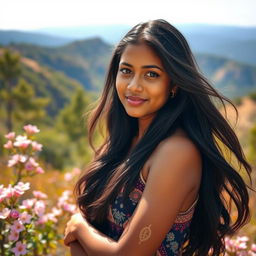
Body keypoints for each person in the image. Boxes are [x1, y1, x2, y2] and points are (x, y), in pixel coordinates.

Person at [63, 19, 252, 255]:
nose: (133, 86)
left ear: (173, 83)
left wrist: (79, 228)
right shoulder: (123, 141)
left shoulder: (176, 152)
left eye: (151, 74)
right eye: (126, 71)